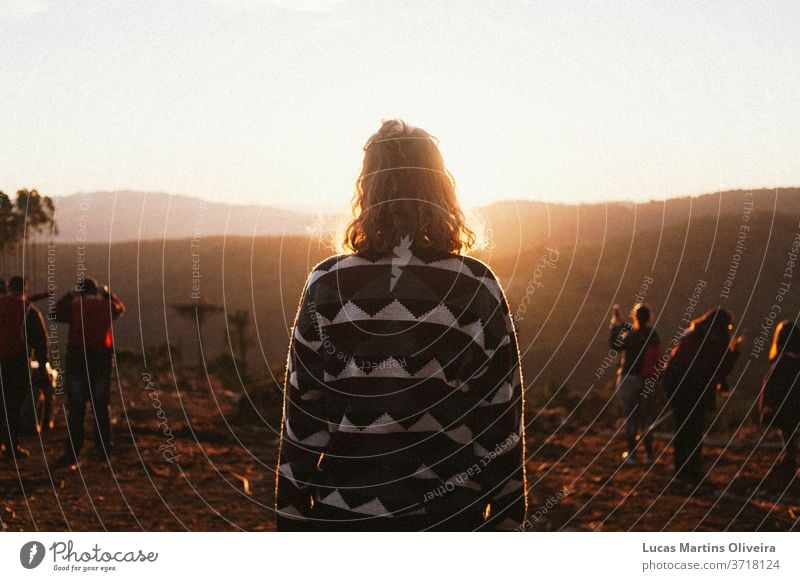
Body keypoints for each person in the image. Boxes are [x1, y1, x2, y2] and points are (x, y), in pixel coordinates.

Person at [275, 119, 528, 531]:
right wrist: (507, 525)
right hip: (447, 521)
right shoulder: (476, 286)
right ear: (441, 188)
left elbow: (302, 426)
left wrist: (290, 524)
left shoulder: (327, 285)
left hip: (344, 520)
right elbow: (499, 426)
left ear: (367, 189)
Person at [663, 308, 742, 487]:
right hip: (694, 389)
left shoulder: (691, 333)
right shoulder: (714, 340)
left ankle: (680, 471)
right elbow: (720, 369)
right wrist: (735, 352)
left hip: (675, 385)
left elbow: (674, 361)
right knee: (694, 430)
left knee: (682, 429)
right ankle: (692, 473)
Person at [56, 277, 125, 464]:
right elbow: (121, 308)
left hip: (77, 362)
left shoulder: (75, 306)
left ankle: (72, 454)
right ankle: (103, 452)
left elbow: (55, 313)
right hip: (101, 362)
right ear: (96, 291)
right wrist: (108, 294)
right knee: (101, 407)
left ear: (81, 291)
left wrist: (70, 295)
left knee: (76, 409)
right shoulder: (108, 306)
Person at [0, 276, 47, 459]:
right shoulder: (29, 310)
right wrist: (42, 365)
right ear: (25, 289)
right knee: (13, 406)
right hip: (17, 363)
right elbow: (40, 340)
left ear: (9, 288)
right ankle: (11, 447)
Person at [609, 303, 661, 463]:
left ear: (635, 316)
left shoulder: (631, 335)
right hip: (647, 379)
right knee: (646, 417)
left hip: (629, 378)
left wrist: (615, 327)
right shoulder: (653, 334)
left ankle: (632, 454)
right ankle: (649, 454)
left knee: (631, 416)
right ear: (649, 317)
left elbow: (615, 345)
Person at [759, 321, 800, 480]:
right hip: (793, 404)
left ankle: (789, 463)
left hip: (787, 405)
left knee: (788, 432)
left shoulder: (784, 359)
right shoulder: (793, 358)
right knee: (789, 433)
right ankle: (789, 462)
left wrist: (769, 406)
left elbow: (775, 385)